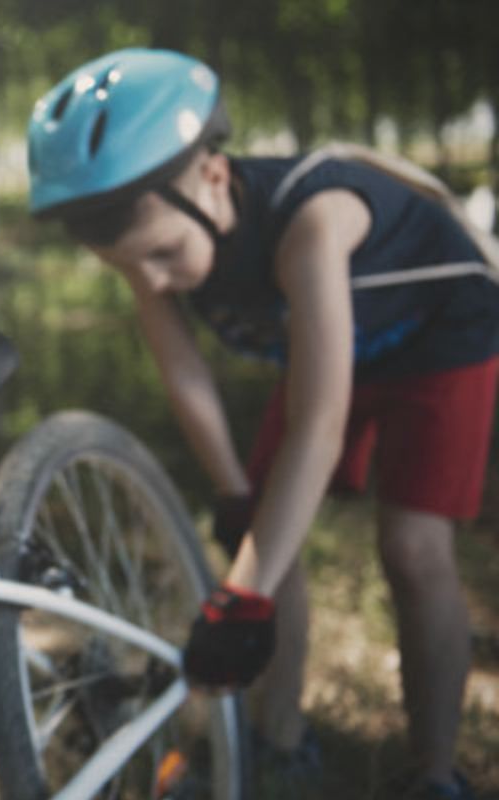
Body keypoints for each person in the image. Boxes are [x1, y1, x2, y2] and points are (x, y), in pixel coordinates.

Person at [25, 47, 497, 799]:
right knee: (260, 534)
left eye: (161, 257)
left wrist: (237, 602)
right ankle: (281, 735)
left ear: (212, 177)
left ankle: (436, 771)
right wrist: (235, 493)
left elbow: (320, 423)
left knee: (411, 547)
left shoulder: (311, 220)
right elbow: (186, 375)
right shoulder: (161, 242)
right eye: (125, 270)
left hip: (440, 337)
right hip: (331, 347)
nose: (150, 283)